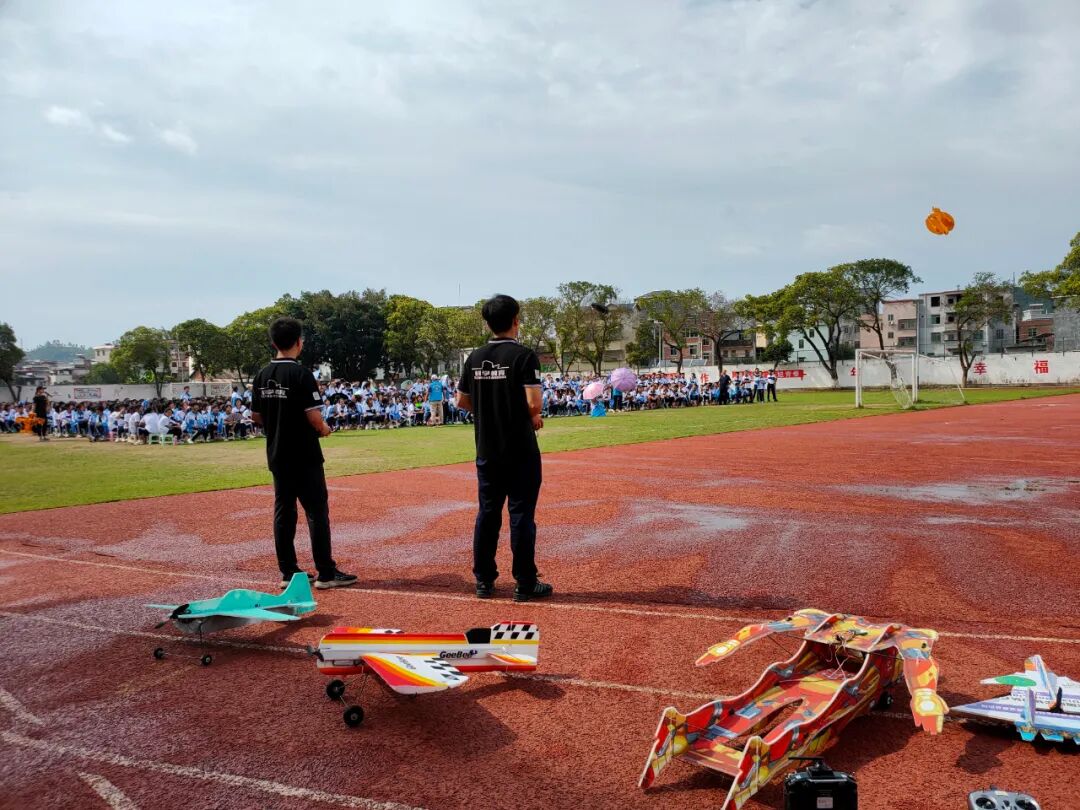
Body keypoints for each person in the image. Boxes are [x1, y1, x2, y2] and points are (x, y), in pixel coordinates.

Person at [456, 294, 552, 603]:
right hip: (520, 449)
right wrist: (533, 416)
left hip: (487, 448)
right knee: (521, 514)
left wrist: (489, 409)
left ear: (487, 323)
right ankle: (525, 582)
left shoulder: (473, 358)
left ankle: (484, 580)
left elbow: (461, 401)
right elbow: (533, 403)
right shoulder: (524, 356)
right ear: (516, 320)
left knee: (487, 513)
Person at [251, 316, 356, 590]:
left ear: (273, 342)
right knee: (316, 511)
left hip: (276, 453)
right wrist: (324, 429)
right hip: (305, 454)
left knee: (284, 511)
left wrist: (278, 421)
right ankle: (326, 572)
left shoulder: (261, 376)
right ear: (299, 342)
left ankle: (289, 571)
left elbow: (256, 416)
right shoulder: (301, 374)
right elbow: (313, 416)